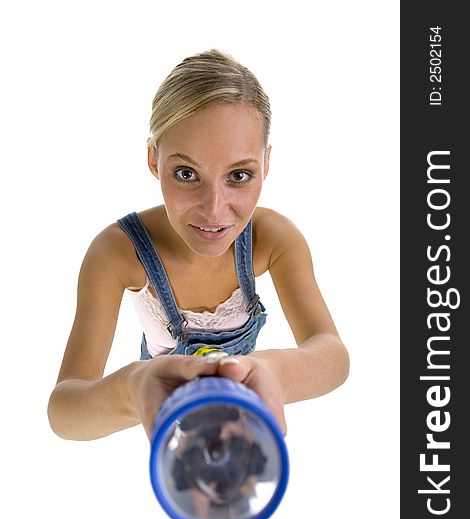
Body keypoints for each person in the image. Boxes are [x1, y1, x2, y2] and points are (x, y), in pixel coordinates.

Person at [47, 48, 349, 442]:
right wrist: (136, 386)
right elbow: (64, 410)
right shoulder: (117, 253)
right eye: (186, 173)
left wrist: (273, 372)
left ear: (266, 164)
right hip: (163, 411)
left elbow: (332, 353)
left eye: (239, 175)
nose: (214, 210)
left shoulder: (274, 239)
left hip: (242, 408)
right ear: (154, 160)